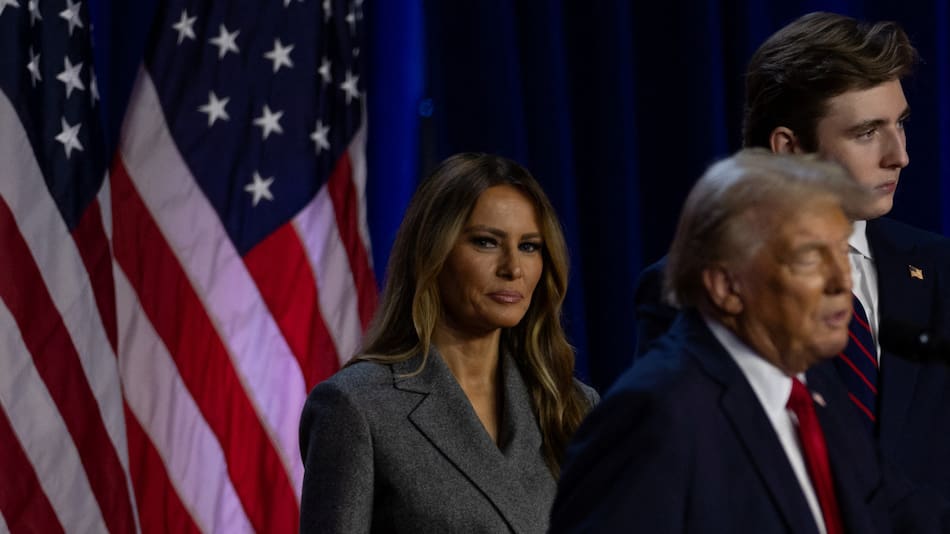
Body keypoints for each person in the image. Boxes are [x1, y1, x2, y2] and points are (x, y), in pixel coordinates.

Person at [633, 12, 950, 498]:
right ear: (790, 148)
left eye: (900, 124)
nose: (899, 155)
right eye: (867, 132)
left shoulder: (938, 267)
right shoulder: (699, 290)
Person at [552, 150, 948, 533]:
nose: (841, 282)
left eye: (840, 254)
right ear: (726, 286)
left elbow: (896, 509)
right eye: (810, 258)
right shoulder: (656, 415)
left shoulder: (813, 393)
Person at [298, 153, 597, 533]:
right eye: (487, 242)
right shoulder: (357, 407)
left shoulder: (572, 407)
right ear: (432, 253)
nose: (513, 269)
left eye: (530, 246)